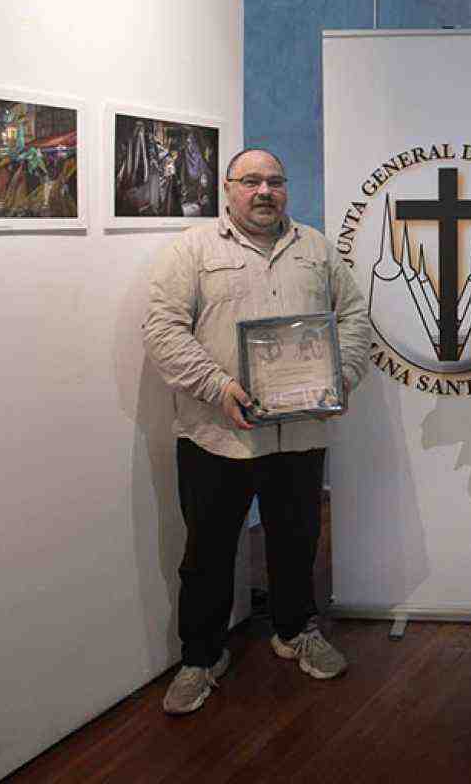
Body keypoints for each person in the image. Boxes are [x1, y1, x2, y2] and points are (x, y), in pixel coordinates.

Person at [142, 147, 370, 715]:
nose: (264, 191)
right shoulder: (191, 251)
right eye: (251, 181)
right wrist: (217, 386)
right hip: (217, 433)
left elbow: (356, 316)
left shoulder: (316, 250)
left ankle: (296, 630)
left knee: (295, 540)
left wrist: (340, 378)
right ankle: (201, 657)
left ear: (285, 189)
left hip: (299, 434)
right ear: (227, 188)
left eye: (275, 181)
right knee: (208, 552)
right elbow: (163, 328)